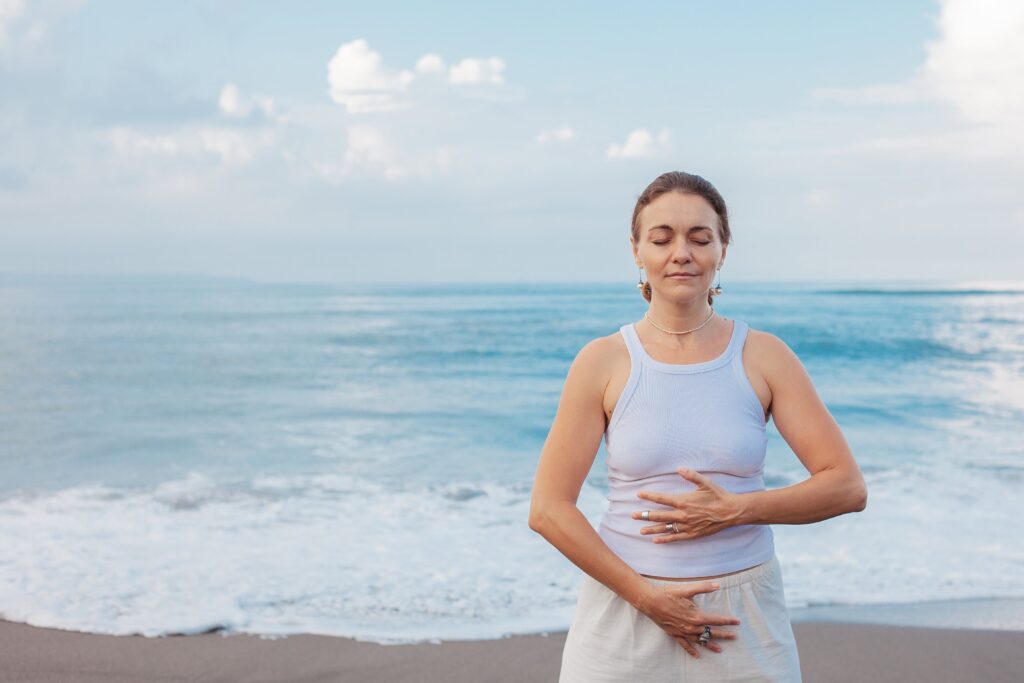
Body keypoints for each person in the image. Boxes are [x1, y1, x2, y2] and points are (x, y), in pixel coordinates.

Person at [528, 171, 868, 682]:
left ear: (723, 249)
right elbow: (548, 509)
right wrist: (648, 598)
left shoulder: (765, 356)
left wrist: (736, 510)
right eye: (661, 239)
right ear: (637, 250)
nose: (681, 253)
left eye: (700, 238)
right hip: (625, 610)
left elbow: (846, 486)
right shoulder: (602, 361)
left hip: (742, 616)